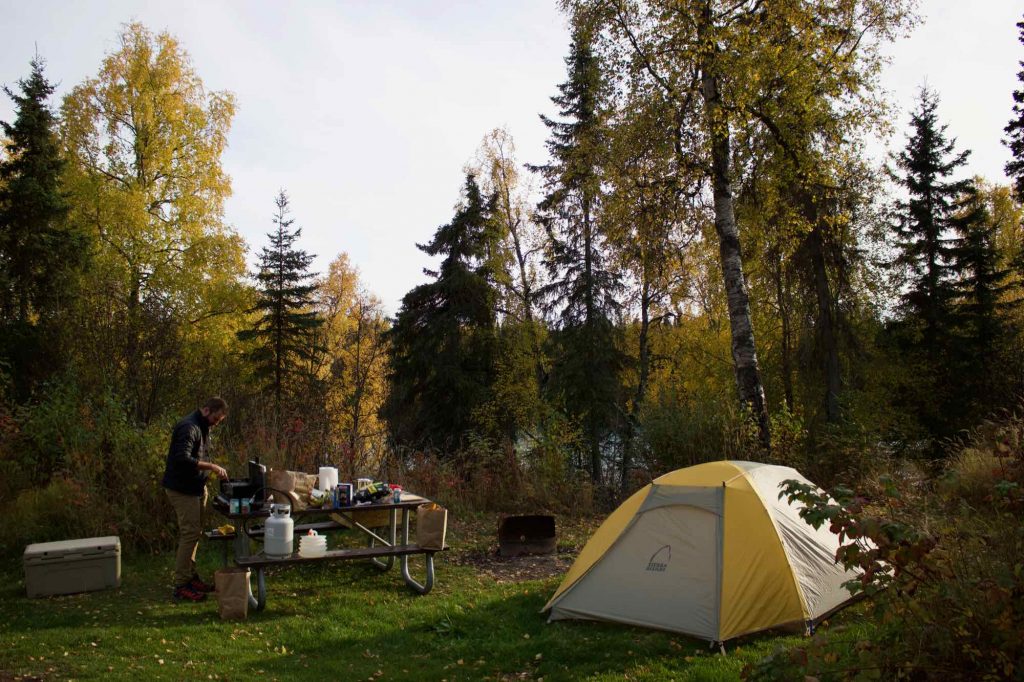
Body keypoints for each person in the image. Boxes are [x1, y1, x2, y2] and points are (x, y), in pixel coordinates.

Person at [162, 397, 230, 602]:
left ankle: (191, 577)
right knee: (189, 533)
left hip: (196, 487)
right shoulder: (189, 427)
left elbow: (199, 454)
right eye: (215, 419)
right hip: (182, 490)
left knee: (195, 533)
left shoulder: (203, 426)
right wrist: (211, 467)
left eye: (219, 421)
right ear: (206, 410)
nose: (216, 423)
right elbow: (181, 458)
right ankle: (181, 585)